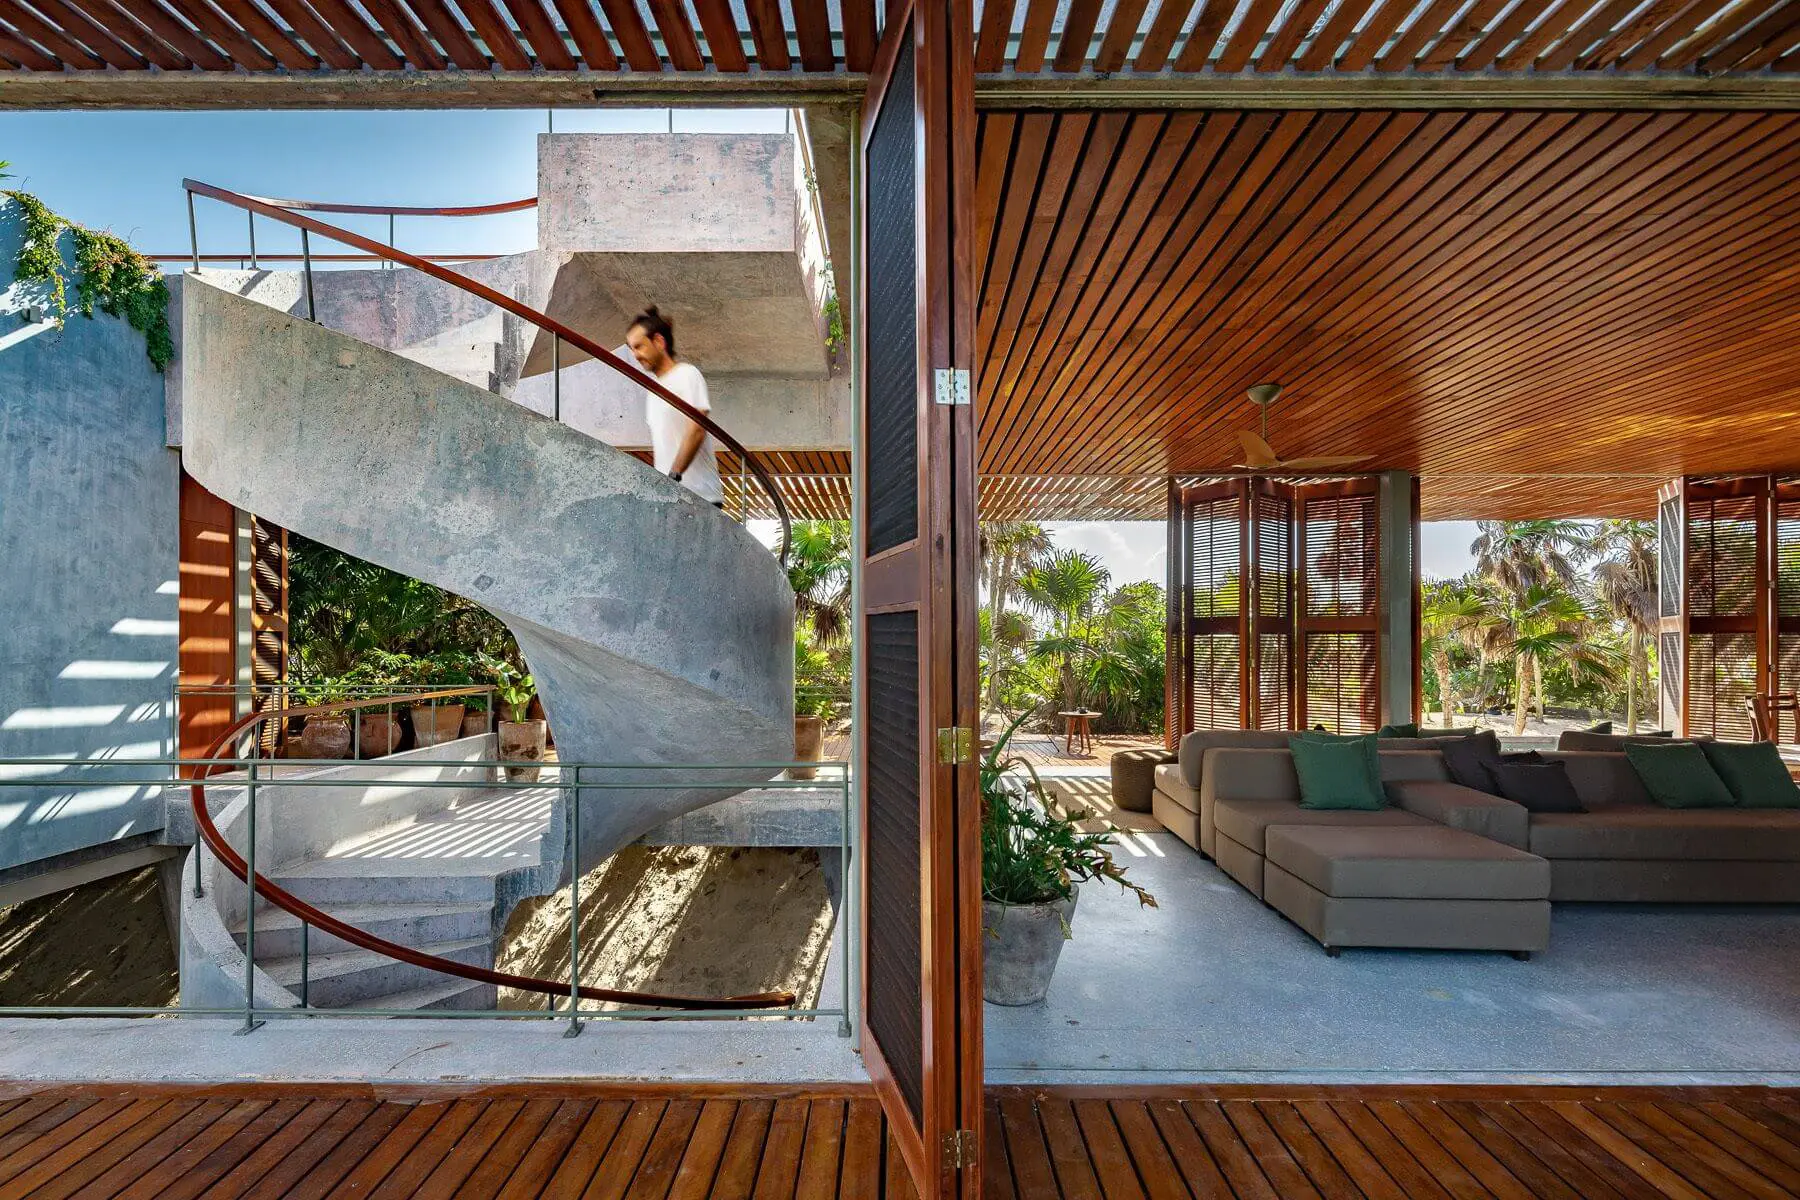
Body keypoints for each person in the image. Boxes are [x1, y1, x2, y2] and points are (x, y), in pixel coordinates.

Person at [625, 306, 723, 508]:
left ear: (659, 342)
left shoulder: (686, 374)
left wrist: (673, 476)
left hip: (699, 497)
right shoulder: (653, 391)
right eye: (631, 348)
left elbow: (696, 429)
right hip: (670, 498)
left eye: (639, 346)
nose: (635, 355)